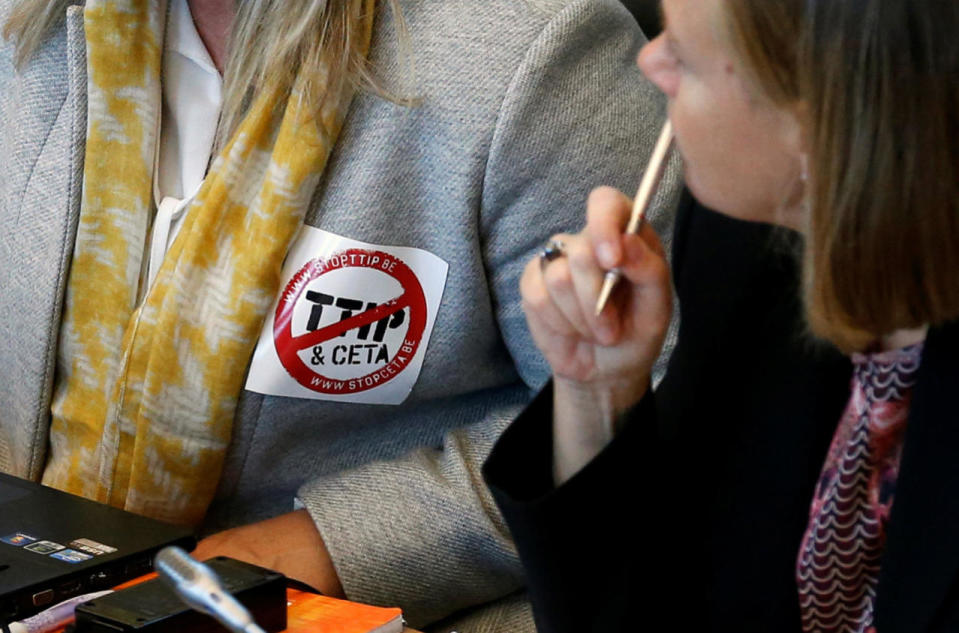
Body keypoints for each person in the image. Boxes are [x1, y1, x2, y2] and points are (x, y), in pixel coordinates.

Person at [0, 0, 681, 630]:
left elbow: (647, 408)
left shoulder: (530, 50)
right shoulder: (36, 21)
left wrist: (336, 539)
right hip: (57, 581)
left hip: (368, 608)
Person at [483, 0, 959, 631]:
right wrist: (596, 391)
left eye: (681, 52)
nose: (648, 59)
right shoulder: (745, 242)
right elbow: (648, 608)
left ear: (831, 118)